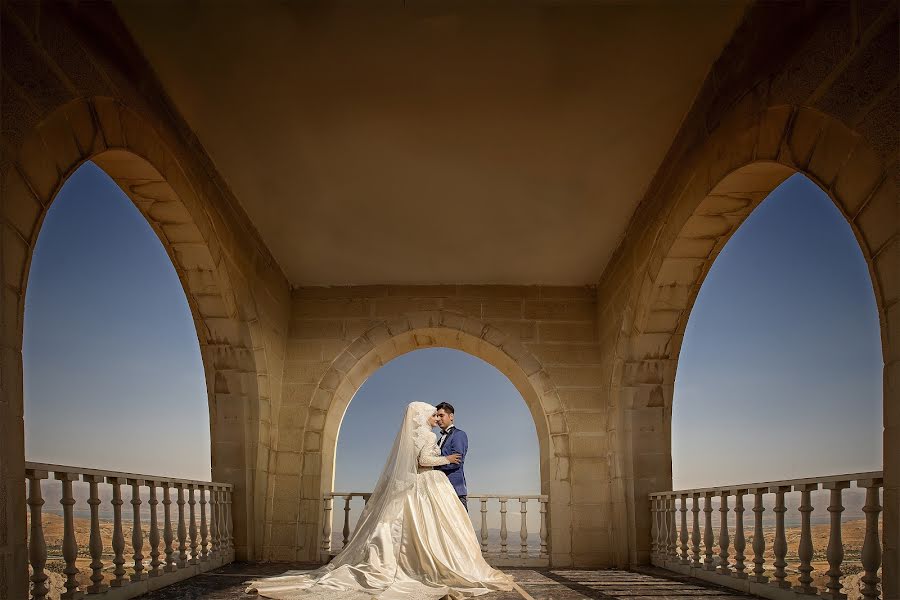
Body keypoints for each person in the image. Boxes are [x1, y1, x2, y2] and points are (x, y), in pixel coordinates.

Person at [245, 402, 513, 599]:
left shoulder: (442, 435)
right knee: (429, 531)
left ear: (449, 416)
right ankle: (435, 566)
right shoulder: (427, 435)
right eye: (433, 414)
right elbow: (423, 460)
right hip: (428, 484)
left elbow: (444, 460)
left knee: (430, 530)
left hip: (438, 486)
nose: (436, 417)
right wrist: (444, 459)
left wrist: (444, 461)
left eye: (439, 414)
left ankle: (426, 563)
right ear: (423, 416)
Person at [434, 402, 468, 509]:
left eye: (441, 415)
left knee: (460, 525)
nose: (438, 419)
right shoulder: (439, 440)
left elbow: (457, 461)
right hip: (440, 489)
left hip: (455, 489)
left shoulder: (459, 434)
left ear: (451, 416)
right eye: (437, 416)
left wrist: (433, 465)